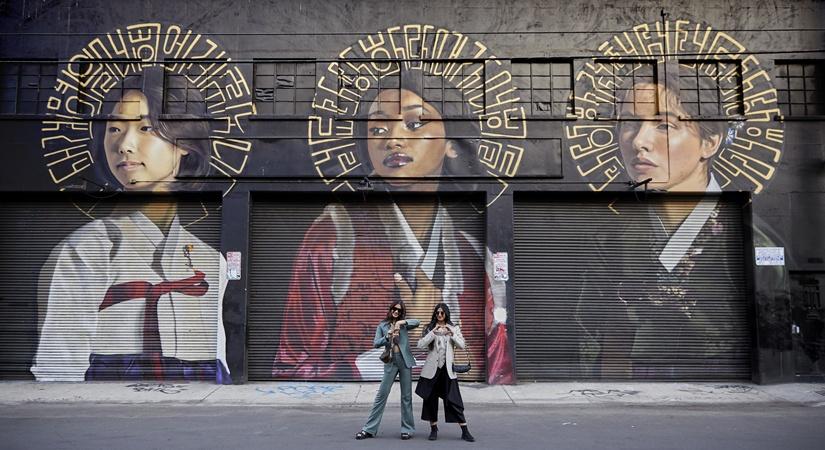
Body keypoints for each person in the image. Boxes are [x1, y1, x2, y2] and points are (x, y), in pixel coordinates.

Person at [272, 68, 513, 384]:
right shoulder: (335, 236)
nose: (393, 139)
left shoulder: (473, 252)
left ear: (452, 143)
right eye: (377, 129)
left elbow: (497, 367)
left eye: (414, 124)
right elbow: (291, 368)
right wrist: (397, 355)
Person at [31, 67, 231, 383]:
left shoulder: (210, 260)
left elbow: (216, 353)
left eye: (145, 128)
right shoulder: (85, 250)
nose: (124, 145)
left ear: (184, 142)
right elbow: (59, 365)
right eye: (114, 129)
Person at [576, 63, 748, 378]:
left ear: (710, 142)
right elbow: (594, 329)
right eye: (629, 124)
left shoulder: (744, 236)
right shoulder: (610, 238)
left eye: (664, 126)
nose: (639, 141)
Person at [355, 301, 420, 440]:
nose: (396, 312)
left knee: (406, 397)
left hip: (404, 361)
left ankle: (407, 429)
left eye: (399, 310)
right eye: (394, 309)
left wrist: (400, 323)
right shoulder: (382, 325)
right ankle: (369, 429)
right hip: (391, 362)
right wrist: (387, 336)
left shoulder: (403, 325)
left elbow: (417, 322)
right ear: (390, 310)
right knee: (381, 396)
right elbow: (375, 343)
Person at [415, 303, 475, 442]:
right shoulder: (429, 328)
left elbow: (462, 345)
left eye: (442, 313)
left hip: (447, 371)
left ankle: (465, 431)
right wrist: (433, 331)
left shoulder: (454, 328)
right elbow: (420, 345)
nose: (440, 315)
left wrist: (452, 334)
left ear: (446, 314)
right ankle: (434, 429)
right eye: (437, 313)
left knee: (454, 400)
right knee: (430, 400)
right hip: (431, 370)